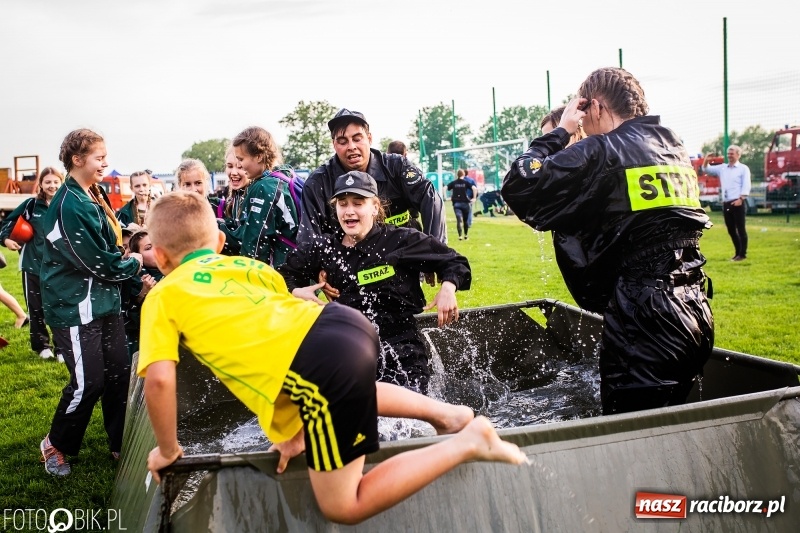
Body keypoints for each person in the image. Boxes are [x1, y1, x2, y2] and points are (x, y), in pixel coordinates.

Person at [138, 190, 527, 525]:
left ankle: (469, 441)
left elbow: (158, 380)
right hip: (345, 324)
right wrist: (296, 432)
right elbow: (276, 336)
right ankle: (450, 415)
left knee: (343, 504)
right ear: (220, 241)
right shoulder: (248, 267)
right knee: (346, 389)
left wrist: (169, 451)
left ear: (158, 256)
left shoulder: (163, 296)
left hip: (319, 358)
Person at [502, 67, 714, 416]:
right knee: (669, 425)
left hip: (646, 315)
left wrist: (561, 131)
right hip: (696, 307)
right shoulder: (670, 144)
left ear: (595, 107)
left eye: (585, 115)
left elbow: (520, 184)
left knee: (627, 433)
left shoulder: (603, 148)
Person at [279, 171, 471, 393]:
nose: (349, 211)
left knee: (414, 415)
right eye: (343, 204)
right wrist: (296, 291)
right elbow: (283, 275)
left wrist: (448, 287)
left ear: (375, 207)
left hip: (402, 348)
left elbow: (455, 261)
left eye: (358, 203)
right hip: (347, 348)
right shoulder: (324, 247)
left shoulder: (401, 240)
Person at [39, 128, 144, 476]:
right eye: (99, 158)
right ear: (77, 159)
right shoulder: (69, 202)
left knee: (118, 375)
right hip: (74, 307)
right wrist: (137, 263)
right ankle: (55, 444)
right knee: (89, 383)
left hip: (104, 302)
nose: (105, 163)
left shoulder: (92, 193)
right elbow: (99, 262)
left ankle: (119, 443)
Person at [298, 109, 445, 246]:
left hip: (404, 257)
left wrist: (435, 252)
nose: (351, 146)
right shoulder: (318, 183)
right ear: (334, 144)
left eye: (357, 138)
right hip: (349, 265)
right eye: (342, 141)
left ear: (369, 138)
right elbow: (309, 238)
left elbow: (431, 199)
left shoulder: (396, 167)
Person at [0, 166, 63, 358]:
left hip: (60, 268)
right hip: (33, 265)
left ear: (61, 183)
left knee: (59, 308)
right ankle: (42, 347)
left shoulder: (66, 205)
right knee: (36, 308)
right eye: (48, 182)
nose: (52, 186)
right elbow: (8, 223)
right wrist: (6, 239)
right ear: (41, 184)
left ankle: (62, 348)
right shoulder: (31, 205)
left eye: (55, 182)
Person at [224, 126, 298, 267]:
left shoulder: (264, 187)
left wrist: (248, 276)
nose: (239, 165)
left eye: (241, 159)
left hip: (282, 270)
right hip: (295, 263)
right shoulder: (283, 177)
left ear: (258, 156)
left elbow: (255, 242)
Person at [703, 145, 751, 261]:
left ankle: (742, 254)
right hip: (726, 202)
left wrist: (741, 199)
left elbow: (746, 184)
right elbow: (706, 169)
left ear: (738, 155)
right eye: (728, 153)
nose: (729, 155)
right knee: (731, 229)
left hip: (738, 202)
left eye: (732, 153)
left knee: (741, 229)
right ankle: (737, 252)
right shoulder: (723, 168)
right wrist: (706, 160)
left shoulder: (743, 168)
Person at [121, 229, 161, 358]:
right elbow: (129, 317)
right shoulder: (131, 279)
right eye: (149, 248)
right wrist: (143, 293)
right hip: (144, 345)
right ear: (138, 256)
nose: (156, 250)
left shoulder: (178, 269)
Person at [217, 144, 251, 256]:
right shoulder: (237, 195)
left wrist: (215, 227)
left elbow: (246, 238)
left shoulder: (255, 195)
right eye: (230, 166)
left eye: (240, 167)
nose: (234, 172)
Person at [447, 169, 477, 240]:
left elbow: (445, 187)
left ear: (457, 175)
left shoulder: (454, 183)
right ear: (463, 174)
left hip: (456, 203)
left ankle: (460, 236)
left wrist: (446, 197)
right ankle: (466, 235)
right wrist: (474, 198)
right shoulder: (466, 182)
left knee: (459, 220)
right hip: (465, 203)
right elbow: (474, 188)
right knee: (465, 220)